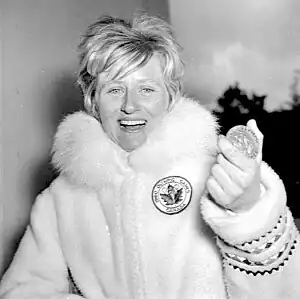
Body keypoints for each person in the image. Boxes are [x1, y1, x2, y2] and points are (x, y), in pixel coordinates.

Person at [0, 13, 299, 299]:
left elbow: (285, 288)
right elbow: (22, 290)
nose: (130, 105)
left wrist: (249, 214)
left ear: (170, 96)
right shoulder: (59, 200)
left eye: (146, 89)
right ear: (93, 102)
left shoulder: (217, 175)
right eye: (114, 90)